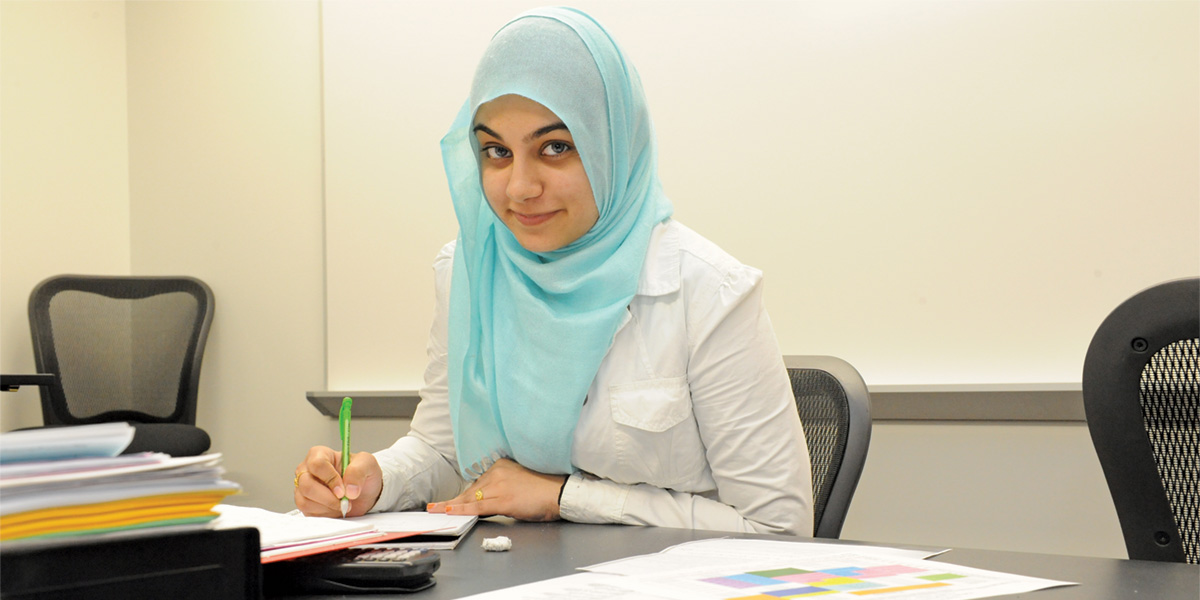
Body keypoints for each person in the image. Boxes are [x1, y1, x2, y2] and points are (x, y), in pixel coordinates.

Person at [294, 6, 814, 536]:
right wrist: (376, 479)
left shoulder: (707, 290)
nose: (519, 187)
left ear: (611, 144)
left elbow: (778, 527)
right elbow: (444, 449)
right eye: (496, 151)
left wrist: (564, 497)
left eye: (556, 148)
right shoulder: (470, 269)